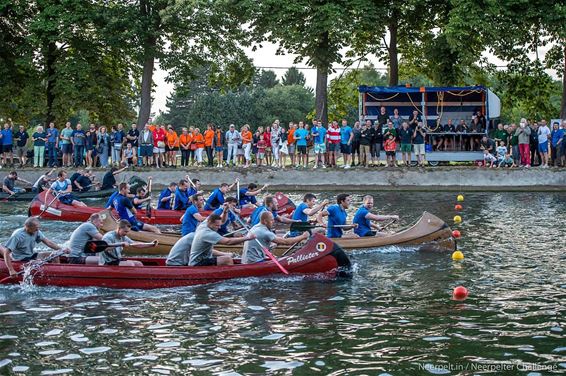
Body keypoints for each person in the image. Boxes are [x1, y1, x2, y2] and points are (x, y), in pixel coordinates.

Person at [0, 217, 68, 277]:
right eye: (36, 228)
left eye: (38, 228)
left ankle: (57, 274)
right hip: (20, 259)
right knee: (38, 263)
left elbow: (48, 242)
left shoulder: (36, 231)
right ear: (27, 227)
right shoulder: (17, 236)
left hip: (31, 255)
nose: (37, 230)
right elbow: (6, 253)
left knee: (55, 255)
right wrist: (11, 270)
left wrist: (62, 249)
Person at [242, 211, 309, 264]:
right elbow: (285, 242)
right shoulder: (265, 232)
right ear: (265, 221)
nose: (273, 222)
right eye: (271, 220)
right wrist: (303, 236)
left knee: (277, 256)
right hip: (254, 262)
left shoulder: (256, 226)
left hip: (246, 260)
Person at [188, 214, 255, 266]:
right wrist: (247, 238)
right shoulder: (207, 233)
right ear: (210, 223)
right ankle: (230, 278)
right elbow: (228, 242)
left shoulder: (203, 225)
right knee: (227, 260)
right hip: (197, 263)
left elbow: (222, 221)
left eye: (219, 225)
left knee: (227, 257)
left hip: (202, 258)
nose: (219, 227)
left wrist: (225, 211)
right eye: (217, 226)